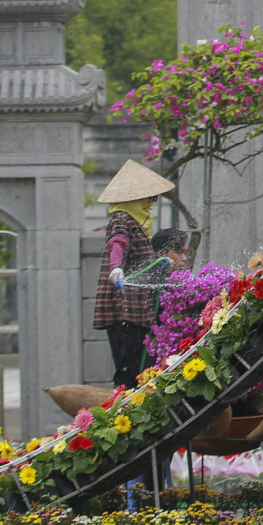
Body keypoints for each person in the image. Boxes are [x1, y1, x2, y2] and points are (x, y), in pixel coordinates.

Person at [92, 160, 176, 388]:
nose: (152, 202)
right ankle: (123, 413)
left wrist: (159, 264)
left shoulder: (138, 223)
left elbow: (140, 260)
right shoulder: (122, 219)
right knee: (128, 371)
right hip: (124, 311)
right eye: (150, 197)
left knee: (141, 366)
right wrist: (116, 267)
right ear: (136, 199)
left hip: (137, 309)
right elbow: (117, 243)